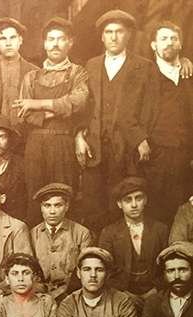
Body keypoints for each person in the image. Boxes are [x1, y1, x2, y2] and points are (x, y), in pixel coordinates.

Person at [75, 10, 154, 225]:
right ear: (102, 37)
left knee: (123, 207)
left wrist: (141, 138)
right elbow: (83, 106)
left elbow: (150, 108)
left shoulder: (144, 67)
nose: (114, 37)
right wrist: (79, 136)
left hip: (128, 149)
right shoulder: (91, 65)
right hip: (95, 149)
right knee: (94, 207)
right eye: (109, 32)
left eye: (119, 32)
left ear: (128, 35)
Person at [15, 17, 89, 224]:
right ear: (45, 44)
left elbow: (78, 102)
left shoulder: (78, 73)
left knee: (64, 196)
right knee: (34, 199)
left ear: (70, 43)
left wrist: (37, 104)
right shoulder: (31, 77)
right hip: (35, 146)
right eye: (51, 39)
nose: (55, 44)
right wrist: (59, 109)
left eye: (61, 39)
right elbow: (23, 113)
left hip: (63, 144)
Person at [133, 21, 193, 223]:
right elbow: (128, 113)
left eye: (174, 39)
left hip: (186, 156)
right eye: (163, 38)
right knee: (157, 210)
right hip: (155, 154)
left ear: (180, 44)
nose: (169, 43)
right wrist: (140, 139)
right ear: (153, 45)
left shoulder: (189, 74)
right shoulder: (144, 74)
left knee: (185, 210)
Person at [99, 177, 168, 307]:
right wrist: (123, 293)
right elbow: (104, 269)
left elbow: (167, 266)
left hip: (155, 294)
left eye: (138, 198)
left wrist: (155, 290)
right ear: (119, 204)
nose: (134, 205)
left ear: (145, 200)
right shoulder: (109, 233)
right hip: (121, 295)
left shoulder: (160, 230)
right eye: (128, 200)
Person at [30, 182, 92, 301]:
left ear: (67, 206)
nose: (52, 211)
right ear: (41, 208)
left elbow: (85, 269)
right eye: (47, 205)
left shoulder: (81, 233)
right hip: (39, 296)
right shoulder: (33, 234)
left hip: (71, 295)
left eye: (58, 205)